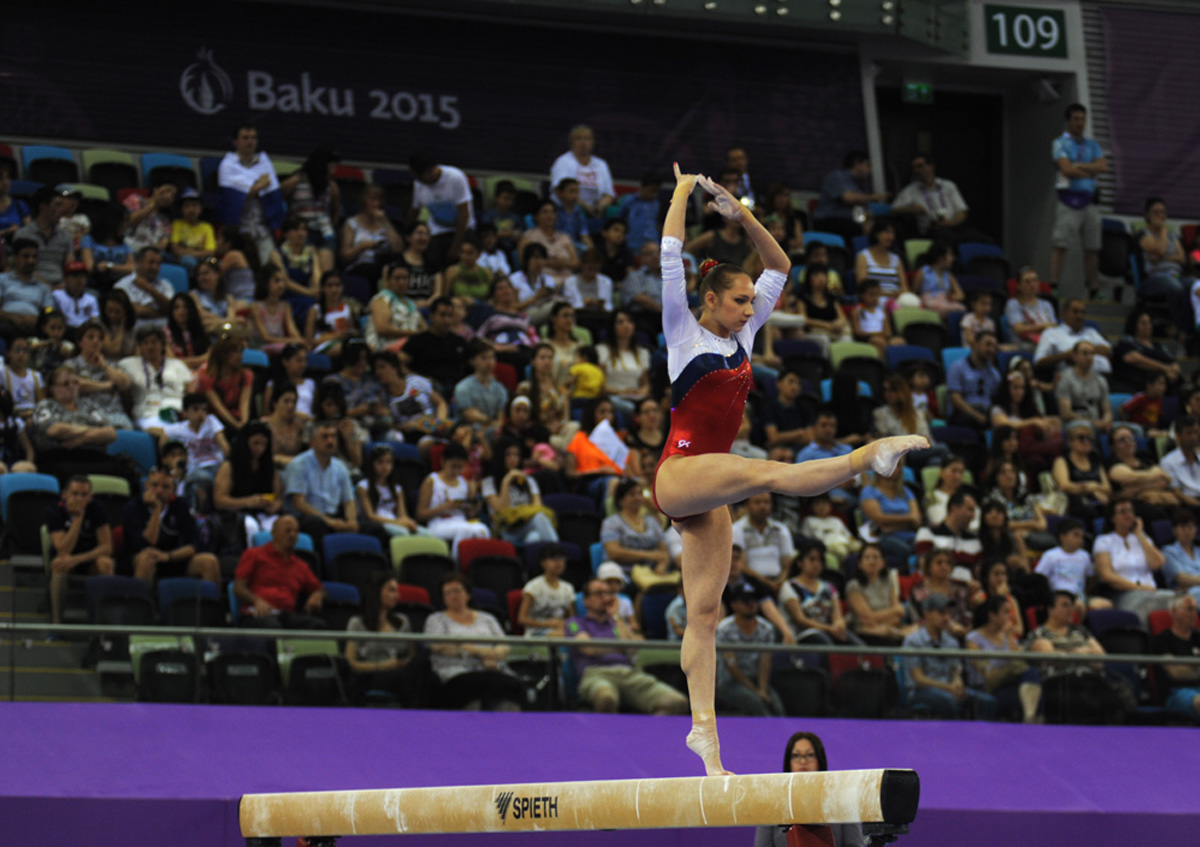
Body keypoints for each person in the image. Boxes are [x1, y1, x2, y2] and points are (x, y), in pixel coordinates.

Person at [648, 164, 924, 774]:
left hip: (709, 490)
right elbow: (670, 255)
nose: (751, 309)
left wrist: (739, 214)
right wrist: (682, 192)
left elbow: (780, 268)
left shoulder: (744, 339)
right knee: (766, 473)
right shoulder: (683, 334)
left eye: (753, 302)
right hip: (679, 473)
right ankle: (866, 456)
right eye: (739, 301)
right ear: (710, 300)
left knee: (705, 613)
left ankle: (706, 743)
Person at [566, 578, 689, 715]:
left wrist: (616, 616)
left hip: (628, 673)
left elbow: (631, 647)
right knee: (607, 698)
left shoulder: (617, 623)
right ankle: (606, 736)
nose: (606, 598)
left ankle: (646, 735)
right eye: (599, 593)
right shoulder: (576, 622)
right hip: (596, 674)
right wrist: (620, 646)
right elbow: (589, 648)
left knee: (676, 702)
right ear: (586, 600)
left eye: (609, 593)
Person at [425, 573, 523, 710]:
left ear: (468, 594)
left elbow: (504, 644)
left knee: (511, 687)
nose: (453, 596)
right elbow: (438, 645)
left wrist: (494, 655)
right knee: (472, 687)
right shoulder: (436, 619)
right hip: (457, 671)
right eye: (447, 593)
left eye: (457, 591)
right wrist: (482, 652)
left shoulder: (487, 618)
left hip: (492, 668)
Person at [754, 732, 865, 847]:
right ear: (789, 763)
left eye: (810, 755)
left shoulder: (842, 801)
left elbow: (855, 844)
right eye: (796, 756)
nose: (803, 761)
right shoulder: (772, 804)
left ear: (820, 761)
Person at [902, 593, 998, 719]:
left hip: (948, 688)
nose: (947, 617)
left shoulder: (951, 642)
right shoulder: (913, 641)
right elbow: (919, 679)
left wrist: (958, 685)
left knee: (988, 702)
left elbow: (955, 671)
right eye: (941, 613)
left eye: (948, 613)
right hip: (922, 692)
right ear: (927, 614)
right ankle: (955, 737)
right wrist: (948, 688)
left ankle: (980, 737)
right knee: (948, 702)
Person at [123, 465, 220, 587]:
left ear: (173, 490)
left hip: (171, 558)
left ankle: (210, 604)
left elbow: (193, 545)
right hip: (141, 558)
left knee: (209, 561)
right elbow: (145, 544)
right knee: (146, 559)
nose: (159, 491)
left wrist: (168, 556)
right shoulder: (133, 507)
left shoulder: (181, 506)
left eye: (165, 487)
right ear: (146, 486)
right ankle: (140, 604)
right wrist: (157, 510)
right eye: (155, 485)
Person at [1048, 104, 1108, 298]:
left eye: (1082, 119)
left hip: (1089, 201)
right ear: (1068, 121)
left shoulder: (1092, 145)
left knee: (1092, 247)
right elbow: (1066, 169)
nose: (1080, 123)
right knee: (1061, 244)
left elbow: (1103, 166)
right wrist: (1089, 169)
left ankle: (1094, 288)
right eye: (1076, 119)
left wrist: (1080, 166)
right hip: (1068, 200)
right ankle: (1054, 284)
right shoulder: (1060, 143)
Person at [232, 515, 326, 629]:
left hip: (285, 615)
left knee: (317, 626)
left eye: (295, 531)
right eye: (287, 531)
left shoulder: (301, 565)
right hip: (257, 614)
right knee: (273, 627)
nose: (292, 535)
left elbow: (319, 589)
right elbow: (238, 588)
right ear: (274, 533)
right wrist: (257, 601)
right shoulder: (254, 555)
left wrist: (317, 596)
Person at [45, 475, 114, 625]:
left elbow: (107, 547)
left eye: (84, 495)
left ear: (91, 497)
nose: (79, 499)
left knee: (105, 563)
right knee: (60, 564)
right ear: (64, 495)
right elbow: (63, 549)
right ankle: (57, 624)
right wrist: (78, 518)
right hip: (65, 558)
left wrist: (77, 559)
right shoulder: (54, 510)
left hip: (88, 558)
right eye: (74, 493)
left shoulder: (97, 508)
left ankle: (103, 623)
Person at [1093, 498, 1176, 623]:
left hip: (1151, 591)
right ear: (1113, 518)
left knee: (1178, 601)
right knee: (1143, 604)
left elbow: (1157, 564)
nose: (1129, 515)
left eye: (1131, 511)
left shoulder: (1142, 539)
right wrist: (1138, 588)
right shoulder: (1104, 541)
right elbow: (1107, 575)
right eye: (1123, 512)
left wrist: (1140, 534)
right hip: (1122, 593)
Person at [283, 419, 361, 550]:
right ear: (312, 441)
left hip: (334, 516)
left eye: (333, 437)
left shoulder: (341, 467)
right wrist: (328, 521)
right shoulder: (298, 464)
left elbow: (349, 501)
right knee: (316, 524)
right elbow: (299, 504)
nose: (330, 441)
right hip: (307, 517)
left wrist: (351, 521)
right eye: (325, 437)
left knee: (371, 528)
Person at [344, 572, 419, 706]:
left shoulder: (403, 621)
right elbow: (351, 664)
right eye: (391, 590)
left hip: (400, 673)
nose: (397, 596)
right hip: (371, 676)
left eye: (397, 591)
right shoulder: (357, 623)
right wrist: (386, 665)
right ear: (376, 591)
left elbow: (412, 656)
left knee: (422, 666)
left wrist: (402, 663)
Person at [966, 594, 1042, 722]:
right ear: (992, 615)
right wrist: (1009, 668)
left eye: (1010, 612)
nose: (1010, 616)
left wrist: (1009, 637)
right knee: (1024, 676)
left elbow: (1021, 662)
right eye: (1006, 612)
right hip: (987, 687)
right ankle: (1033, 721)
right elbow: (986, 673)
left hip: (1009, 684)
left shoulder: (1007, 635)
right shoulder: (973, 639)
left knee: (1033, 683)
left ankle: (1031, 718)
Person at [216, 123, 284, 266]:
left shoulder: (264, 163)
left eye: (253, 138)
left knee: (272, 268)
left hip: (262, 229)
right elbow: (233, 198)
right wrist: (259, 186)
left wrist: (253, 188)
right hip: (239, 230)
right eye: (245, 138)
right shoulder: (228, 165)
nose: (250, 142)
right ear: (235, 142)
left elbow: (272, 194)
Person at [714, 583, 783, 716]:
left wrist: (762, 689)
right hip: (730, 683)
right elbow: (732, 666)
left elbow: (765, 662)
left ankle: (784, 734)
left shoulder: (766, 628)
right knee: (756, 704)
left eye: (754, 600)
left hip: (757, 680)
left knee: (777, 706)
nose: (751, 604)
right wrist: (756, 692)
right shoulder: (724, 629)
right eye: (745, 600)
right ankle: (770, 735)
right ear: (734, 605)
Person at [416, 441, 490, 559]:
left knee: (483, 530)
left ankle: (477, 565)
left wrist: (474, 506)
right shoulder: (432, 481)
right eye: (453, 466)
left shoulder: (464, 483)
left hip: (460, 521)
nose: (456, 471)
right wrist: (444, 507)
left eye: (460, 467)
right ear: (443, 461)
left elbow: (469, 515)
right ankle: (456, 565)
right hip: (438, 523)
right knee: (465, 530)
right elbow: (420, 514)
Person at [601, 479, 675, 591]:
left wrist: (662, 566)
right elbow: (613, 552)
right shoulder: (611, 523)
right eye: (632, 494)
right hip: (624, 572)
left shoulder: (652, 522)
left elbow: (663, 552)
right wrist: (648, 555)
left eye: (639, 493)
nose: (637, 497)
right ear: (620, 500)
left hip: (651, 571)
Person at [482, 440, 557, 547]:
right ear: (500, 455)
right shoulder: (488, 482)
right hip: (505, 530)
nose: (513, 458)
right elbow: (501, 510)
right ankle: (558, 554)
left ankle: (554, 557)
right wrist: (506, 481)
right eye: (508, 454)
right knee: (538, 522)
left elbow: (537, 507)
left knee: (534, 537)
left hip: (525, 524)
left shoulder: (528, 480)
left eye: (516, 455)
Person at [408, 153, 475, 271]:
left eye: (420, 177)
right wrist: (406, 234)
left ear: (429, 171)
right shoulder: (419, 183)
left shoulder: (455, 178)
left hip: (462, 229)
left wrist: (455, 246)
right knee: (431, 259)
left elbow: (464, 214)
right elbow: (415, 210)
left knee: (458, 260)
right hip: (438, 230)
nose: (419, 181)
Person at [812, 151, 888, 245]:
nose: (869, 170)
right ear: (857, 164)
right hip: (828, 220)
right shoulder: (837, 176)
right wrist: (874, 197)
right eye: (867, 165)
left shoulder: (856, 185)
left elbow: (861, 210)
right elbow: (848, 198)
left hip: (848, 221)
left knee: (881, 226)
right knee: (861, 228)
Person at [399, 296, 467, 400]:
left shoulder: (459, 342)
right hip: (428, 391)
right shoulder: (418, 340)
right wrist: (421, 380)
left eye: (450, 316)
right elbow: (398, 364)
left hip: (456, 391)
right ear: (431, 316)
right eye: (442, 315)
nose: (446, 320)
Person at [891, 154, 971, 240]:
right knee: (946, 237)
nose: (917, 170)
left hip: (953, 226)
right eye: (914, 168)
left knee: (977, 237)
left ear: (931, 166)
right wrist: (912, 209)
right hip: (931, 230)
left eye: (920, 166)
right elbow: (894, 209)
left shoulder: (947, 185)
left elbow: (962, 211)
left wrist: (951, 223)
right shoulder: (911, 190)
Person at [845, 542, 911, 644]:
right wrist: (892, 612)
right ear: (860, 563)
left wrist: (886, 619)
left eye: (876, 557)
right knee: (886, 633)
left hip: (890, 627)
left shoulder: (888, 581)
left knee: (918, 630)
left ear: (883, 562)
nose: (872, 561)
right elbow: (866, 619)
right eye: (867, 558)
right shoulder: (854, 586)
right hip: (865, 632)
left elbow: (899, 614)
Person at [1149, 594, 1200, 723]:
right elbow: (1176, 672)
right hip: (1177, 692)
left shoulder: (1198, 637)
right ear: (1174, 612)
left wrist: (1190, 668)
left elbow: (1183, 670)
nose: (1194, 614)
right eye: (1189, 609)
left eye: (1195, 609)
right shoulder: (1162, 640)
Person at [731, 493, 795, 595]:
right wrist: (767, 583)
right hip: (750, 581)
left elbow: (787, 563)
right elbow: (741, 565)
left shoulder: (780, 529)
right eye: (757, 502)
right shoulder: (737, 529)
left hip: (779, 582)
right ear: (747, 505)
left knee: (791, 595)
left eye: (766, 502)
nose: (762, 506)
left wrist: (781, 581)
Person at [859, 459, 922, 561]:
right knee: (904, 550)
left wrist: (890, 525)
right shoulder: (869, 491)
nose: (893, 468)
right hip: (882, 537)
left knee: (926, 545)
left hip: (908, 533)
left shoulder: (906, 492)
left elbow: (916, 519)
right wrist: (908, 519)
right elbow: (878, 519)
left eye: (897, 465)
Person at [549, 125, 615, 218]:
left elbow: (609, 194)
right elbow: (561, 190)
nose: (583, 143)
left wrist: (599, 207)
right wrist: (585, 207)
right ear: (571, 143)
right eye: (578, 139)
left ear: (592, 142)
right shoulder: (563, 162)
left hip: (595, 208)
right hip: (570, 207)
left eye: (587, 139)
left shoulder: (601, 164)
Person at [340, 185, 403, 279]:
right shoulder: (351, 224)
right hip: (359, 268)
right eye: (373, 200)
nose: (376, 204)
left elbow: (398, 249)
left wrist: (385, 221)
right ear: (364, 201)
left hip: (382, 268)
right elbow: (344, 256)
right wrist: (362, 247)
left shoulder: (384, 223)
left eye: (379, 200)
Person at [1034, 298, 1112, 374]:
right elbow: (1039, 361)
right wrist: (1065, 356)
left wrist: (1080, 352)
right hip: (1071, 378)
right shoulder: (1051, 333)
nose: (1080, 316)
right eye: (1075, 312)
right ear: (1064, 313)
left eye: (1082, 313)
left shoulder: (1091, 332)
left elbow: (1106, 350)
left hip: (1102, 376)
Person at [914, 490, 983, 574]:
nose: (973, 516)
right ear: (954, 509)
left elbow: (978, 573)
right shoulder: (927, 533)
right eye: (970, 510)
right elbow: (925, 568)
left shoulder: (974, 541)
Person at [0, 239, 54, 345]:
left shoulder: (43, 288)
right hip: (7, 324)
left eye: (34, 257)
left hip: (35, 326)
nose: (31, 261)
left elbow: (49, 311)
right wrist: (14, 318)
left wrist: (39, 319)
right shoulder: (2, 280)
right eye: (26, 256)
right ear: (15, 258)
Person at [1112, 308, 1181, 391]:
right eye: (1144, 323)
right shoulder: (1127, 342)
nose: (1148, 326)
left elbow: (1173, 362)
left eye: (1150, 323)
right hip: (1137, 383)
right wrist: (1165, 368)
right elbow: (1133, 358)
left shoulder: (1158, 346)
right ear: (1134, 324)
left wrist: (1174, 369)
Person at [516, 542, 576, 636]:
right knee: (562, 635)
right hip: (536, 631)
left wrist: (575, 631)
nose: (559, 562)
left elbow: (572, 619)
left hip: (560, 629)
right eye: (554, 559)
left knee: (581, 635)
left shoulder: (568, 588)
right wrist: (547, 624)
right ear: (543, 562)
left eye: (562, 559)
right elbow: (522, 619)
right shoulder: (534, 587)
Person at [14, 188, 71, 287]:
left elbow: (70, 267)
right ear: (43, 207)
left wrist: (63, 286)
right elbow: (20, 267)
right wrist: (47, 287)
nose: (62, 210)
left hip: (60, 286)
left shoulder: (66, 236)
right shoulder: (23, 234)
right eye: (57, 205)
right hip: (30, 284)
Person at [947, 330, 1000, 430]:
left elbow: (996, 399)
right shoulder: (957, 367)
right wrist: (977, 416)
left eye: (994, 346)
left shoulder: (994, 374)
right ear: (975, 344)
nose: (992, 350)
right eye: (988, 345)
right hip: (963, 413)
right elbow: (955, 398)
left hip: (986, 412)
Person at [853, 218, 907, 301]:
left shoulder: (896, 259)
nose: (891, 237)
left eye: (893, 233)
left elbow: (905, 288)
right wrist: (890, 294)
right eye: (887, 232)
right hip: (873, 300)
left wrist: (899, 294)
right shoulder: (863, 257)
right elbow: (863, 287)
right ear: (876, 234)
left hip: (896, 301)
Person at [1004, 266, 1057, 348]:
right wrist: (1042, 326)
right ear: (1019, 285)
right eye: (1027, 282)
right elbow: (1018, 329)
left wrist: (1033, 327)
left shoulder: (1046, 304)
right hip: (1024, 345)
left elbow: (1054, 326)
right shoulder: (1013, 304)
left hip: (1047, 342)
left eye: (1034, 280)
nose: (1032, 284)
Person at [914, 242, 965, 317]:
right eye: (950, 255)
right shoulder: (923, 272)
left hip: (945, 301)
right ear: (940, 258)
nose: (952, 259)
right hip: (928, 302)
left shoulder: (948, 275)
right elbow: (914, 293)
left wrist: (952, 297)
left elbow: (961, 295)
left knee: (961, 309)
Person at [1163, 509, 1200, 606]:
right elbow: (1181, 579)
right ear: (1175, 530)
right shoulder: (1169, 551)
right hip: (1186, 595)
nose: (1187, 531)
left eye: (1191, 527)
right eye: (1183, 527)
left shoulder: (1198, 551)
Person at [54, 261, 100, 330]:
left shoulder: (91, 299)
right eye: (74, 276)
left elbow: (94, 320)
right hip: (64, 331)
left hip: (84, 332)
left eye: (82, 276)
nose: (78, 280)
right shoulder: (57, 295)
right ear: (65, 278)